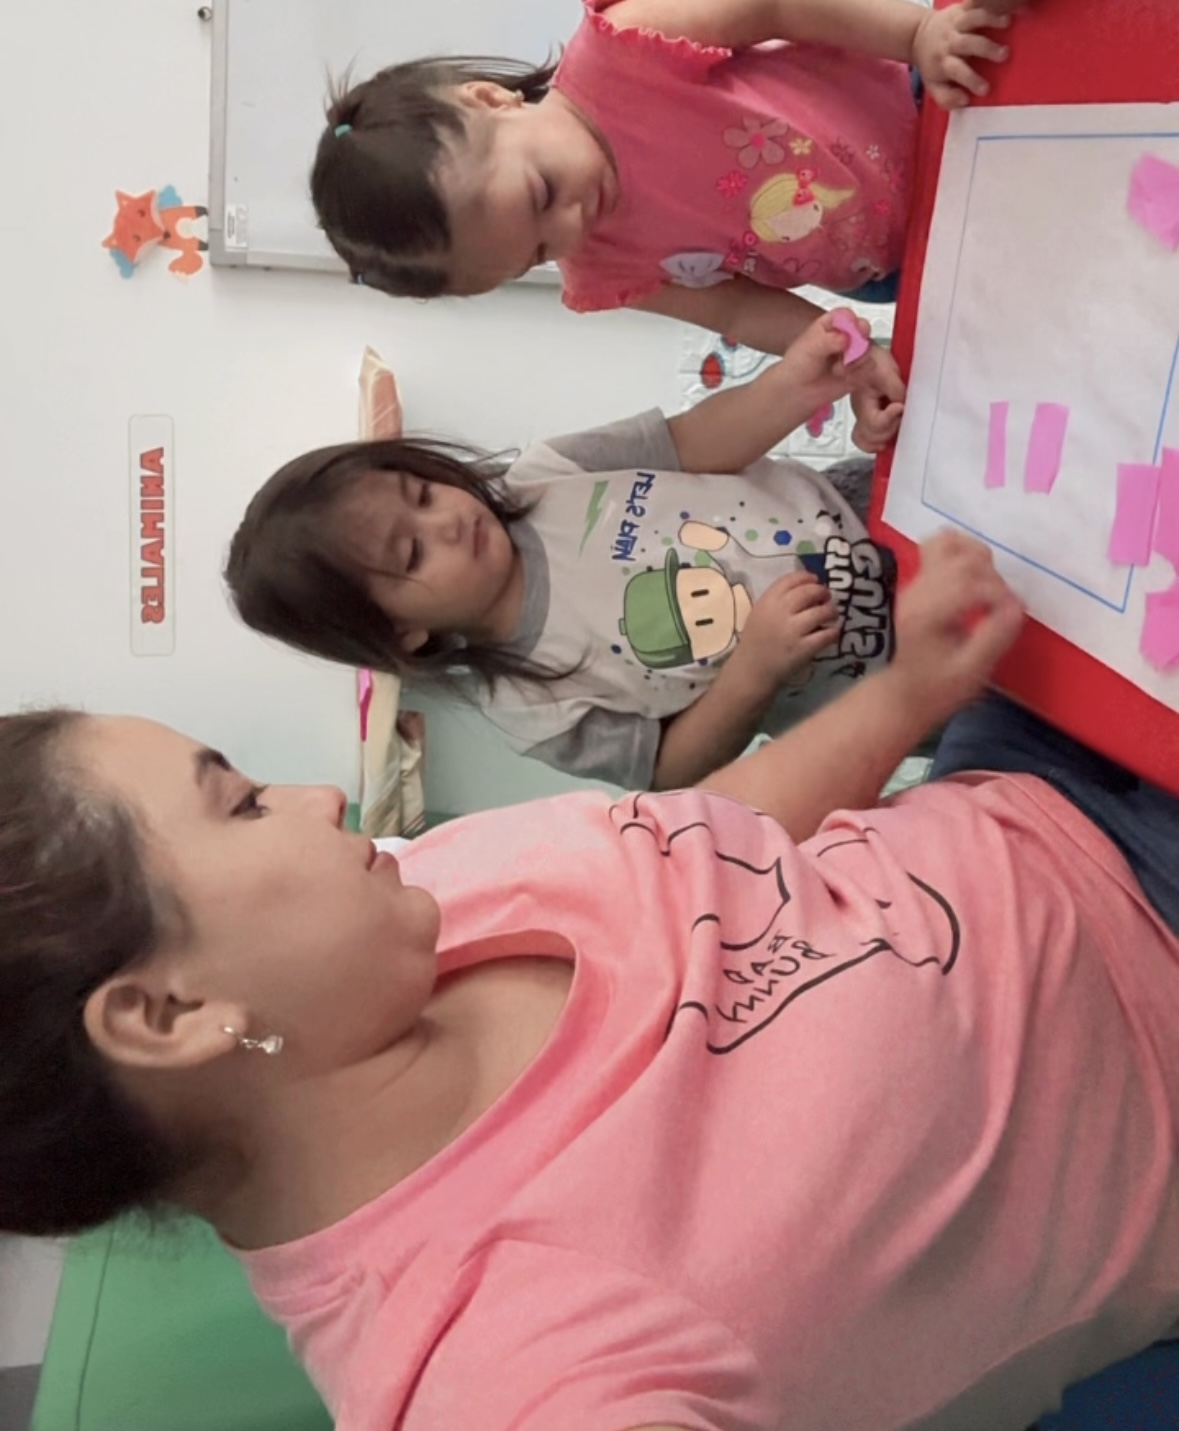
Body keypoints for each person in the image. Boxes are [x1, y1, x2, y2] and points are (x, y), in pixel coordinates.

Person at [6, 533, 1179, 1431]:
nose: (317, 798)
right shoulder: (513, 1365)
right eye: (242, 803)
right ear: (170, 1015)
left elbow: (715, 831)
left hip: (1025, 776)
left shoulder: (407, 903)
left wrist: (913, 689)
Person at [227, 310, 898, 790]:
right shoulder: (528, 706)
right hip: (878, 683)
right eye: (412, 554)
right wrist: (753, 670)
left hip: (867, 507)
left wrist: (796, 385)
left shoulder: (550, 473)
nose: (448, 523)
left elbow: (698, 440)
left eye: (423, 494)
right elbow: (669, 768)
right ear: (402, 632)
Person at [309, 0, 1022, 449]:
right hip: (899, 260)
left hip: (933, 99)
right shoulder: (600, 268)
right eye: (539, 252)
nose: (572, 225)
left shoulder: (623, 49)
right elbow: (738, 308)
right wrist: (851, 359)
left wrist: (916, 33)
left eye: (541, 192)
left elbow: (775, 6)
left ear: (492, 99)